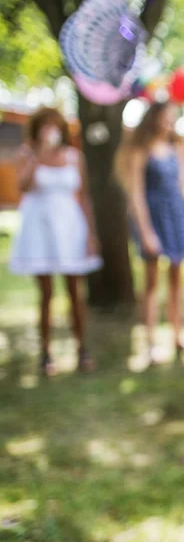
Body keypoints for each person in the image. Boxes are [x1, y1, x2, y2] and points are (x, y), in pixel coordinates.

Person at [9, 107, 101, 376]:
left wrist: (92, 234)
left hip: (70, 228)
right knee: (46, 293)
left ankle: (82, 349)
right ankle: (45, 353)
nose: (50, 130)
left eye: (55, 126)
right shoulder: (26, 155)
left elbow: (83, 197)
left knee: (75, 291)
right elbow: (22, 187)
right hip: (40, 231)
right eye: (45, 126)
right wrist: (38, 155)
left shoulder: (74, 157)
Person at [119, 100, 184, 363]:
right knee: (151, 283)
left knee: (177, 281)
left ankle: (178, 335)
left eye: (172, 117)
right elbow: (135, 194)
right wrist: (146, 231)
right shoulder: (140, 150)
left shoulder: (175, 148)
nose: (169, 122)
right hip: (154, 218)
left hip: (177, 216)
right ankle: (150, 341)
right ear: (154, 118)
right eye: (166, 117)